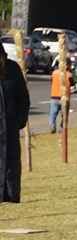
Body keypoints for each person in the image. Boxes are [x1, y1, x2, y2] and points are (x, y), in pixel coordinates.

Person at [0, 43, 30, 204]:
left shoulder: (12, 69)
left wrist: (20, 119)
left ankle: (10, 194)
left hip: (10, 127)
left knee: (10, 162)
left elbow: (23, 97)